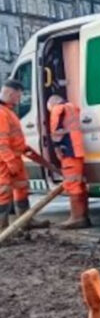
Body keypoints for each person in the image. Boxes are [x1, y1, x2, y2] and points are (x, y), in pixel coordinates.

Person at [0, 78, 50, 230]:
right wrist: (10, 161)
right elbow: (1, 142)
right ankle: (2, 228)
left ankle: (25, 220)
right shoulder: (2, 113)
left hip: (14, 157)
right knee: (4, 191)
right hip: (5, 160)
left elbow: (13, 138)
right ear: (9, 92)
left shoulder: (8, 111)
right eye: (18, 95)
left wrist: (23, 148)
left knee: (21, 186)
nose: (19, 98)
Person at [47, 93, 90, 229]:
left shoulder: (57, 109)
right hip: (77, 149)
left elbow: (56, 133)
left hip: (68, 151)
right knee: (79, 183)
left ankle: (77, 218)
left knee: (72, 183)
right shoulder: (73, 107)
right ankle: (83, 217)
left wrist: (57, 149)